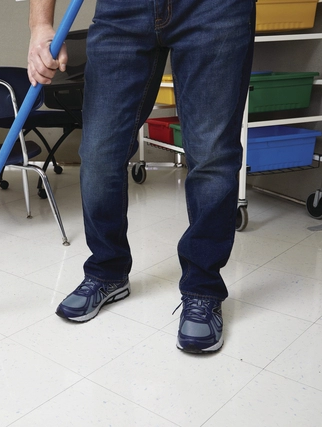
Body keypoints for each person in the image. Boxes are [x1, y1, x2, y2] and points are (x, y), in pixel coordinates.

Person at [27, 0, 255, 354]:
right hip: (122, 10)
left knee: (212, 155)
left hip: (216, 8)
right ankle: (107, 271)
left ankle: (203, 288)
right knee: (100, 153)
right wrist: (40, 25)